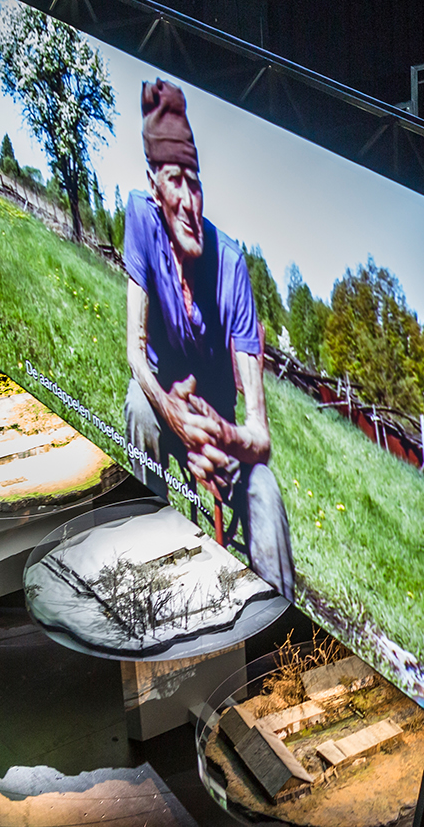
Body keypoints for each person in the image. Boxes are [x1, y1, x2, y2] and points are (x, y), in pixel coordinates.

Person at [122, 80, 292, 594]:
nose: (188, 201)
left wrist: (219, 434)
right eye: (174, 181)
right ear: (155, 187)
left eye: (195, 184)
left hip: (220, 436)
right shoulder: (140, 217)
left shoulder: (231, 266)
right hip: (166, 407)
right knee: (138, 407)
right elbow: (135, 352)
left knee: (265, 491)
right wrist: (174, 415)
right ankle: (150, 564)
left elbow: (260, 435)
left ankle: (277, 618)